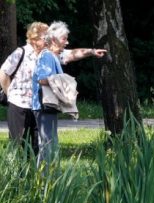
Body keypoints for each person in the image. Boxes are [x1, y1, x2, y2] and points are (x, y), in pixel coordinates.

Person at [0, 22, 106, 155]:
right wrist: (9, 94)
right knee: (18, 143)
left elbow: (72, 54)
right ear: (34, 37)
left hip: (38, 105)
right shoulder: (21, 52)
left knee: (36, 146)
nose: (47, 39)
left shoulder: (50, 53)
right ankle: (16, 173)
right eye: (45, 36)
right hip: (19, 104)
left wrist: (92, 52)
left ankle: (34, 174)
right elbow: (3, 72)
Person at [32, 21, 105, 165]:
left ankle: (49, 180)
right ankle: (45, 181)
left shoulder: (54, 55)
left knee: (50, 143)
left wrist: (92, 51)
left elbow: (73, 53)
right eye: (64, 38)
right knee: (48, 145)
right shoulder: (47, 56)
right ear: (53, 40)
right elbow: (41, 79)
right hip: (43, 106)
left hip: (47, 106)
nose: (67, 42)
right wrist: (63, 81)